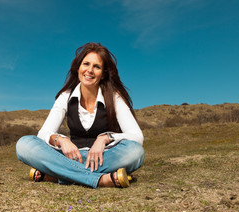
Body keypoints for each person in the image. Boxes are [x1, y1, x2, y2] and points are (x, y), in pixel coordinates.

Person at [16, 42, 144, 188]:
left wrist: (105, 138)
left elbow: (137, 136)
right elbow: (44, 133)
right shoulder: (65, 97)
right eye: (86, 64)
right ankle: (99, 180)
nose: (89, 70)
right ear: (78, 68)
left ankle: (59, 175)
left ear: (102, 74)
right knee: (24, 145)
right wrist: (61, 140)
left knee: (135, 152)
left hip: (105, 158)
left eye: (97, 67)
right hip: (69, 158)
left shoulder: (114, 97)